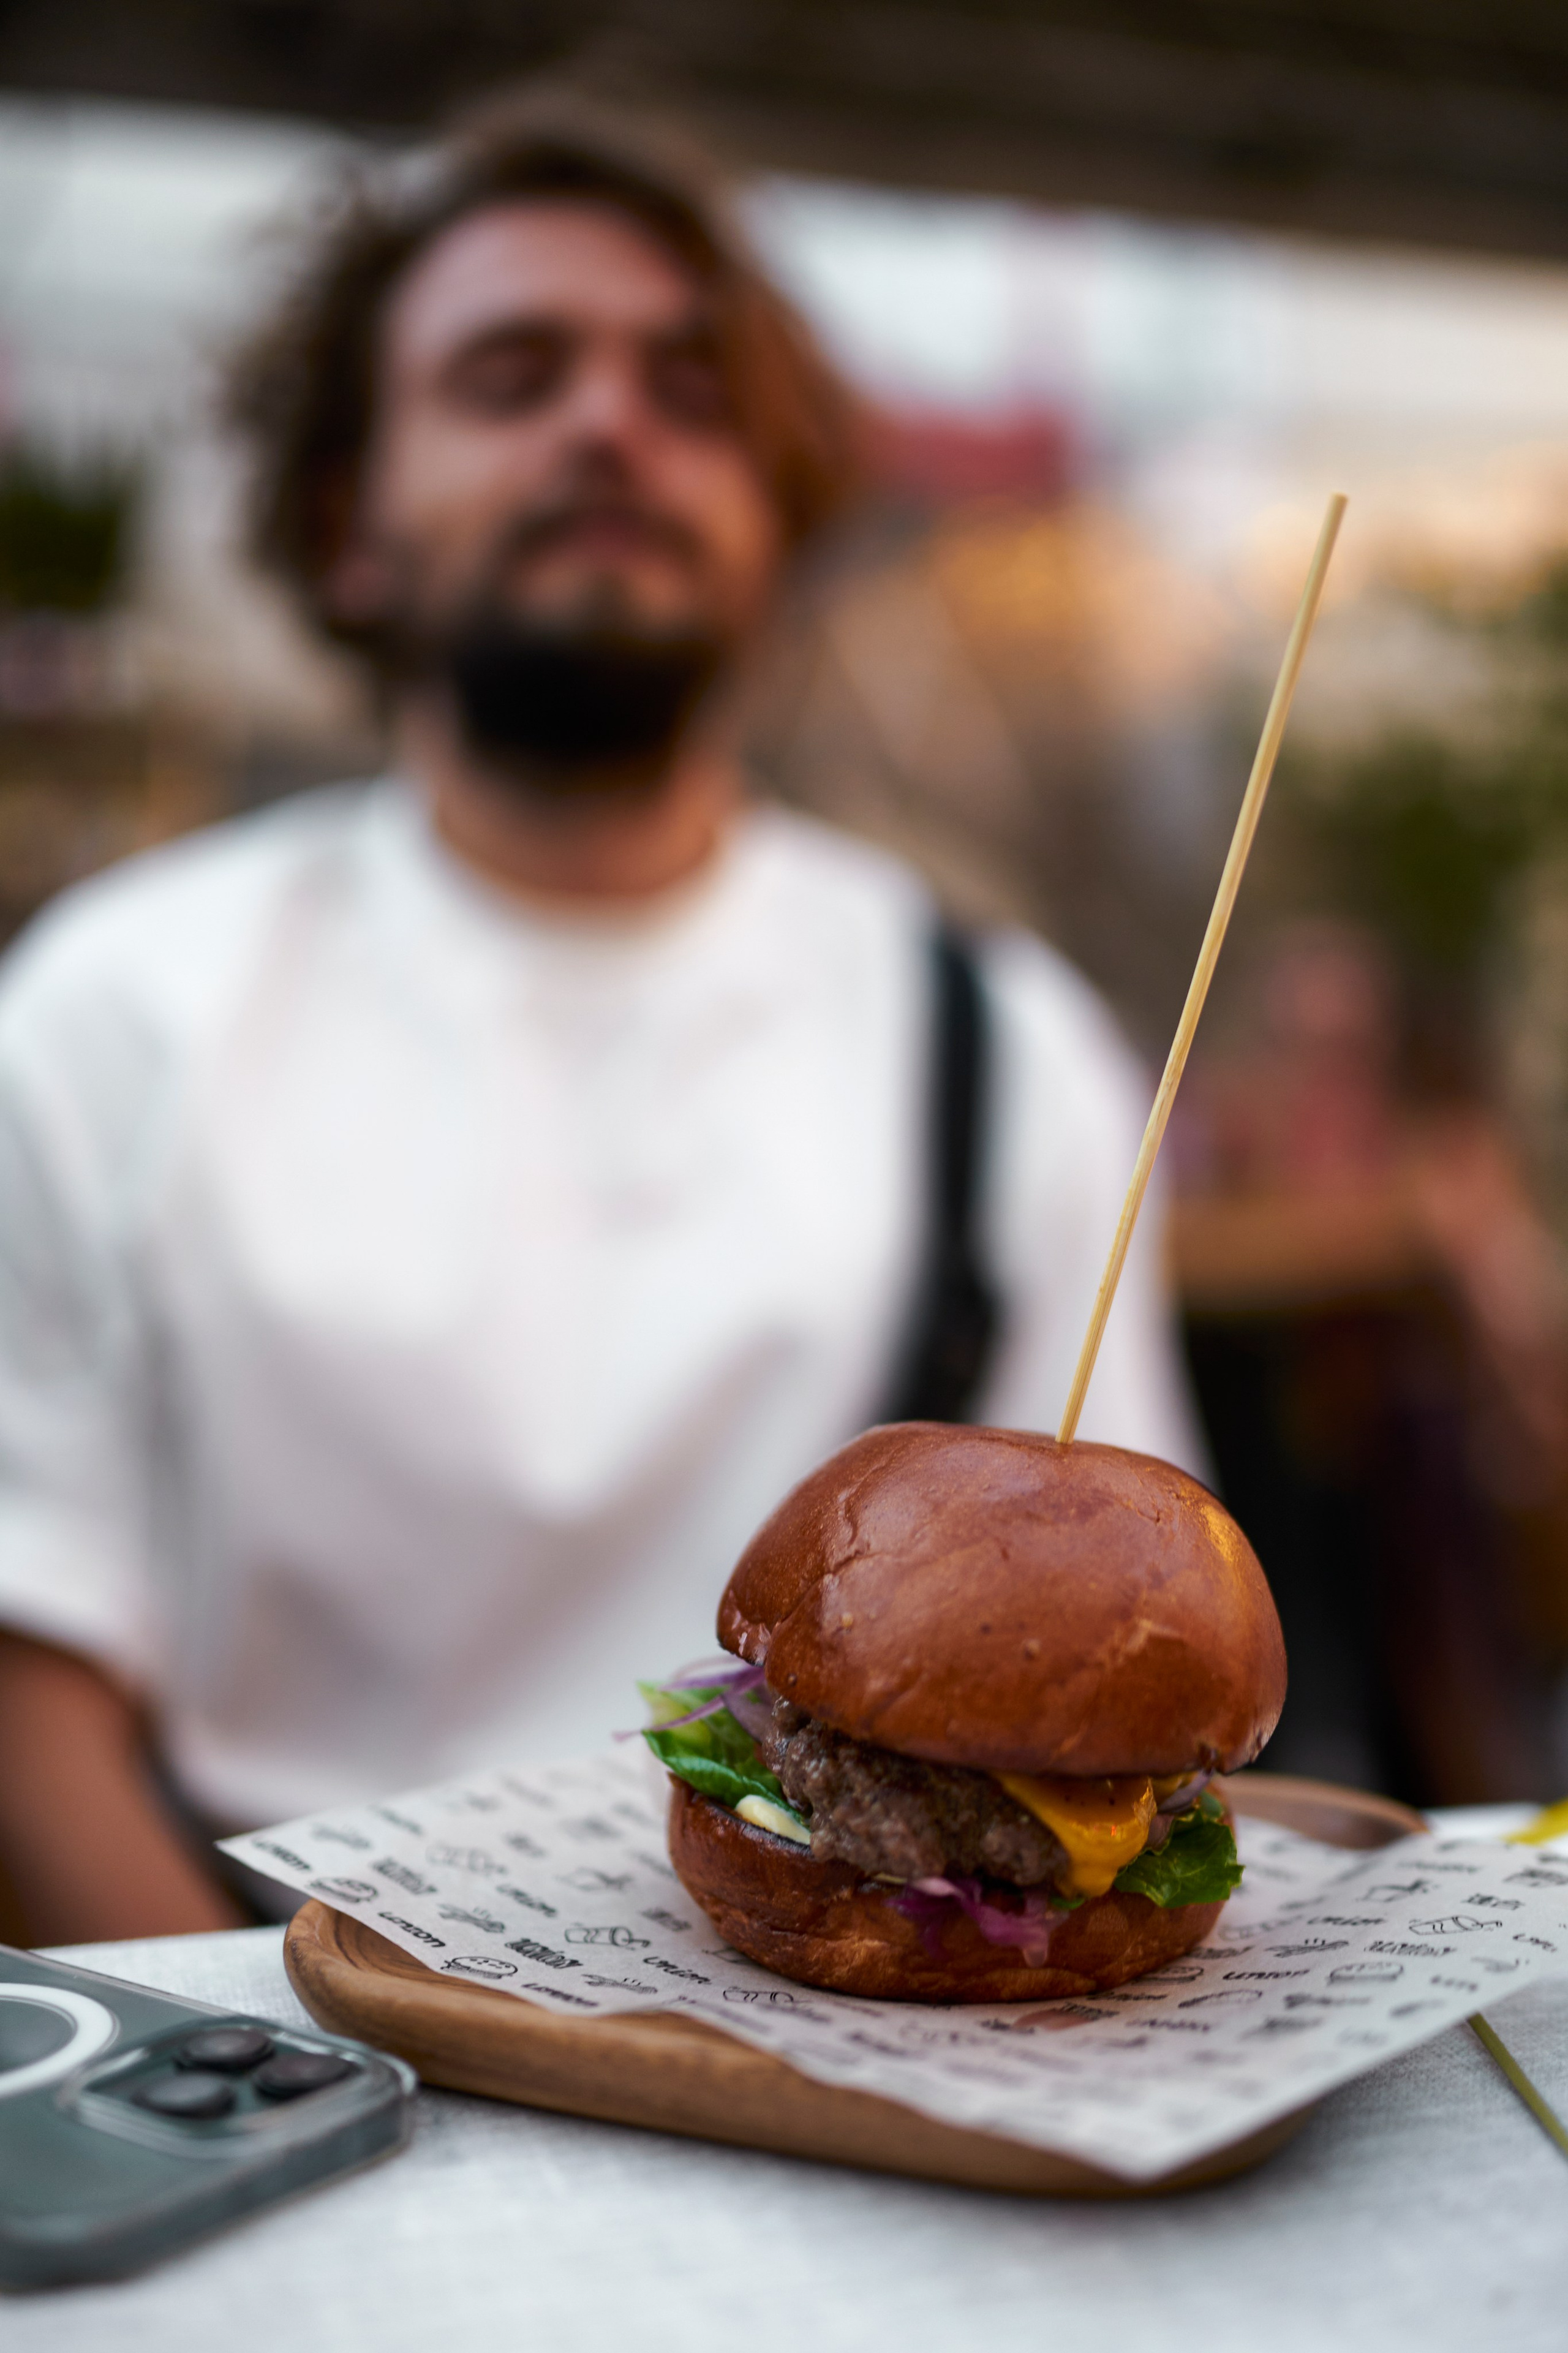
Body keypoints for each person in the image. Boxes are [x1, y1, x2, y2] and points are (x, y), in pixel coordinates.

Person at [0, 97, 1200, 1944]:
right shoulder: (112, 1005)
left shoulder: (1000, 1034)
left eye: (690, 390)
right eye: (510, 374)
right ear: (348, 527)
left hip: (855, 2054)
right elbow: (29, 1669)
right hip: (263, 2011)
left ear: (779, 520)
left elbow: (1131, 1678)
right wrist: (265, 2082)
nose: (608, 423)